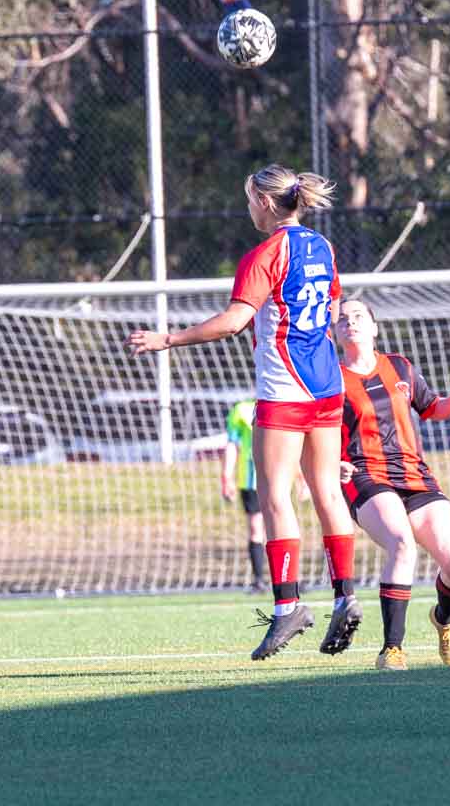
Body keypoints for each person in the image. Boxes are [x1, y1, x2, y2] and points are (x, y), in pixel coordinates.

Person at [128, 165, 362, 661]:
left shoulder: (265, 254)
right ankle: (346, 595)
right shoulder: (322, 247)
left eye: (249, 200)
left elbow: (235, 321)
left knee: (275, 496)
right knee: (327, 492)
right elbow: (333, 310)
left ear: (265, 202)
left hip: (285, 389)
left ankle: (288, 607)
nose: (248, 208)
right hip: (327, 386)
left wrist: (168, 339)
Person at [331, 299, 450, 672]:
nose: (350, 322)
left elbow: (432, 409)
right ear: (336, 332)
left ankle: (444, 620)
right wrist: (333, 462)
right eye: (342, 319)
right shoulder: (330, 376)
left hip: (414, 475)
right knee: (402, 544)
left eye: (358, 316)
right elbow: (315, 431)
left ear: (375, 327)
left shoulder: (400, 367)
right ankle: (392, 650)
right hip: (364, 475)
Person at [220, 397, 266, 592]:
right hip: (250, 481)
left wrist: (300, 478)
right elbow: (232, 445)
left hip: (279, 479)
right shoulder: (241, 410)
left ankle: (287, 579)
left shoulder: (282, 402)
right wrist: (226, 477)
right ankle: (259, 579)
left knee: (279, 527)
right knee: (256, 528)